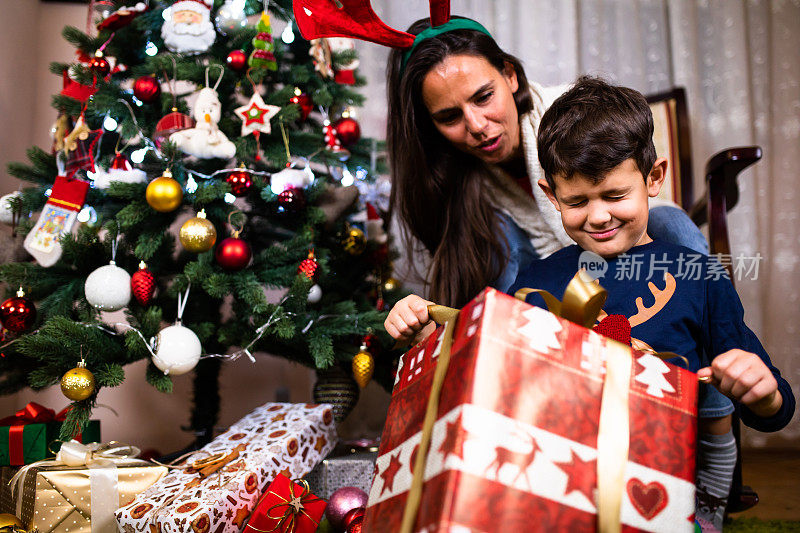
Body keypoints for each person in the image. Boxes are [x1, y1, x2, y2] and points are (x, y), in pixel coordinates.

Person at [502, 76, 792, 532]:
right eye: (576, 201)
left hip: (675, 479)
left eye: (615, 195)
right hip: (569, 478)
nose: (597, 216)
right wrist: (427, 327)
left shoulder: (699, 275)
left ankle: (710, 515)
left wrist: (765, 393)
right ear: (551, 194)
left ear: (654, 177)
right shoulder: (538, 281)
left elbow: (773, 408)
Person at [385, 16, 708, 318]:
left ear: (510, 75)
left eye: (483, 97)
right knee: (492, 234)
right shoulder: (446, 172)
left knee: (672, 223)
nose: (477, 125)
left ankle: (713, 342)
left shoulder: (572, 115)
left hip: (618, 242)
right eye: (449, 117)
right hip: (538, 276)